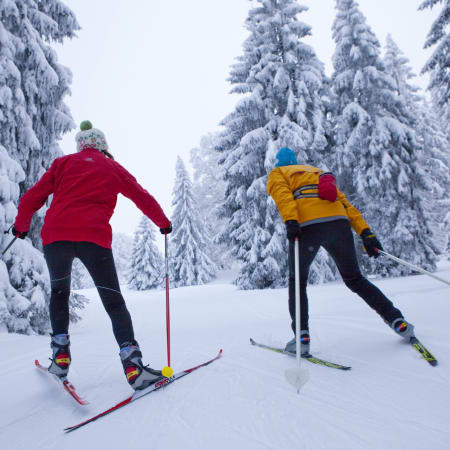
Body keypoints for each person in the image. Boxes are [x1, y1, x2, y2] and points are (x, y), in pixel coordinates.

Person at [13, 121, 173, 390]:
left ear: (81, 145)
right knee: (113, 302)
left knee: (60, 293)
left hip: (57, 239)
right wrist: (163, 223)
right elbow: (141, 196)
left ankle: (61, 356)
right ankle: (133, 367)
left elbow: (31, 198)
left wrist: (20, 226)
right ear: (103, 146)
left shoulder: (62, 164)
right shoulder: (112, 167)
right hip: (94, 239)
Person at [267, 147, 415, 355]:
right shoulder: (316, 172)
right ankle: (397, 320)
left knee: (297, 282)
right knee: (355, 279)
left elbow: (283, 196)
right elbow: (346, 204)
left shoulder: (278, 173)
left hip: (307, 227)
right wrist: (366, 233)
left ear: (279, 163)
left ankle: (301, 337)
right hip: (338, 224)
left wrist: (291, 220)